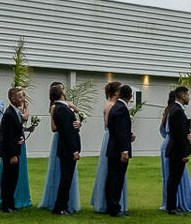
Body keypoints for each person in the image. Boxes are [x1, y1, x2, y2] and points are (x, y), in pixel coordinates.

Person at [44, 81, 82, 214]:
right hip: (67, 149)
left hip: (66, 147)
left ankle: (63, 205)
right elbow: (66, 132)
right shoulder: (61, 109)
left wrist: (77, 124)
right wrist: (75, 150)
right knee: (65, 179)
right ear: (60, 93)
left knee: (67, 178)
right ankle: (60, 206)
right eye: (63, 90)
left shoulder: (62, 108)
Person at [161, 85, 191, 214]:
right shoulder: (177, 111)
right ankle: (171, 207)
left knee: (173, 179)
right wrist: (185, 153)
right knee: (174, 179)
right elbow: (179, 135)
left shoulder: (174, 110)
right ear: (181, 96)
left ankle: (172, 205)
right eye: (187, 95)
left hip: (174, 149)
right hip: (177, 151)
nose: (188, 98)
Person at [89, 81, 122, 213]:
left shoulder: (116, 105)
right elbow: (109, 124)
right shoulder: (110, 106)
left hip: (113, 136)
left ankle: (116, 201)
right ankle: (107, 202)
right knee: (110, 170)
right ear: (115, 92)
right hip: (111, 137)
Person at [102, 84, 134, 217]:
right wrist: (124, 151)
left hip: (112, 148)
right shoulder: (122, 109)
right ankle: (115, 208)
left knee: (112, 178)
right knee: (117, 179)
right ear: (130, 96)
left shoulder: (115, 107)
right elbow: (120, 132)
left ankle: (111, 206)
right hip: (118, 150)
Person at [0, 86, 30, 211]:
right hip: (10, 153)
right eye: (20, 97)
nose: (22, 99)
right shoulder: (9, 114)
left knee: (13, 178)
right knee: (8, 179)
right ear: (12, 98)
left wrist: (20, 138)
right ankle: (6, 204)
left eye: (23, 96)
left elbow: (16, 132)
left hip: (16, 149)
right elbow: (7, 136)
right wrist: (12, 155)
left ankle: (11, 203)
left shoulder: (15, 112)